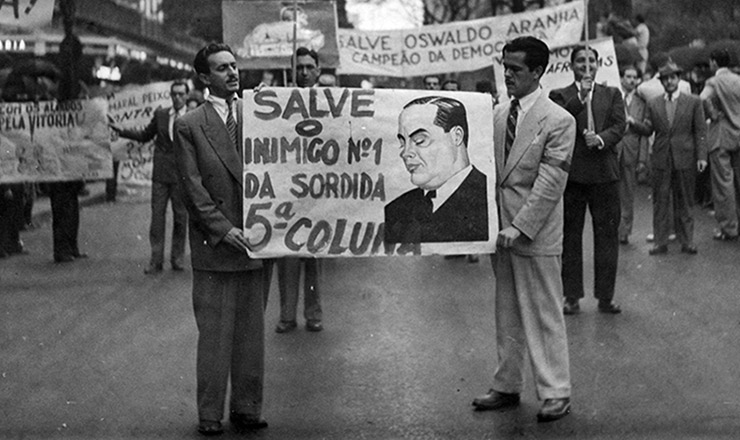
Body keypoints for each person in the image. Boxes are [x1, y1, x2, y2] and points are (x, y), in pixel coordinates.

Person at [471, 36, 575, 422]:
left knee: (545, 311)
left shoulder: (560, 120)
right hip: (501, 232)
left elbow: (550, 183)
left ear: (537, 71)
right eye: (504, 66)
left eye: (515, 69)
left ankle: (556, 391)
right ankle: (507, 384)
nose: (507, 74)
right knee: (507, 312)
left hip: (535, 233)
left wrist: (520, 226)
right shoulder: (499, 115)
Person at [174, 43, 268, 435]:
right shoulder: (189, 125)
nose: (232, 73)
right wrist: (224, 230)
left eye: (234, 66)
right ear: (203, 77)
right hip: (218, 245)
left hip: (257, 239)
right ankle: (209, 413)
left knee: (250, 334)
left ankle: (246, 407)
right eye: (222, 68)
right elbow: (193, 192)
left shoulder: (261, 115)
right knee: (214, 334)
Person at [549, 45, 626, 315]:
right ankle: (571, 296)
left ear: (598, 64)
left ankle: (606, 296)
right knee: (571, 237)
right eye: (581, 60)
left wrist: (602, 138)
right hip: (573, 177)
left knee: (607, 237)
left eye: (591, 60)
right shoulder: (560, 95)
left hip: (605, 176)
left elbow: (620, 125)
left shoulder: (612, 93)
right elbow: (560, 122)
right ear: (572, 66)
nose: (586, 64)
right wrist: (581, 97)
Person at [269, 46, 324, 334]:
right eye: (298, 67)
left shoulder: (332, 101)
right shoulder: (278, 100)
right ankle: (287, 315)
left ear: (318, 70)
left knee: (312, 256)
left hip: (317, 190)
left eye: (308, 67)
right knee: (286, 253)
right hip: (288, 189)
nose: (303, 72)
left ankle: (314, 313)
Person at [384, 96, 489, 244]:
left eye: (420, 140)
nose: (406, 152)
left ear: (456, 136)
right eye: (402, 142)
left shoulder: (489, 196)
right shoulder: (396, 210)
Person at [111, 80, 190, 274]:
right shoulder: (161, 115)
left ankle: (177, 258)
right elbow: (145, 135)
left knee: (181, 218)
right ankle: (156, 261)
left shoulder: (193, 117)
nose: (177, 98)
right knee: (157, 218)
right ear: (170, 96)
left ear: (187, 96)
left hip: (183, 176)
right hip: (161, 175)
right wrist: (122, 131)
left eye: (181, 94)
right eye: (174, 94)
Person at [642, 61, 708, 255]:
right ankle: (660, 242)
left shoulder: (693, 101)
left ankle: (687, 241)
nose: (669, 81)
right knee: (660, 201)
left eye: (672, 77)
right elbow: (648, 129)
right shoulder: (653, 103)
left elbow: (700, 131)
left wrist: (702, 156)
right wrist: (633, 124)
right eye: (665, 79)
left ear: (678, 79)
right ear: (661, 82)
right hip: (661, 158)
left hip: (685, 157)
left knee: (686, 201)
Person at [701, 49, 740, 241]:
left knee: (724, 183)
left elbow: (702, 99)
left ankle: (729, 228)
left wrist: (713, 113)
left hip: (721, 134)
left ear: (714, 63)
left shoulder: (714, 82)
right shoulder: (738, 80)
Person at [617, 66, 650, 244]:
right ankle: (611, 229)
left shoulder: (641, 102)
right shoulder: (613, 97)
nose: (631, 80)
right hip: (613, 150)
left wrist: (643, 159)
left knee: (628, 192)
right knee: (611, 192)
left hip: (631, 149)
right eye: (628, 76)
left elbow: (646, 131)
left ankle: (624, 231)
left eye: (634, 77)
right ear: (621, 78)